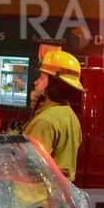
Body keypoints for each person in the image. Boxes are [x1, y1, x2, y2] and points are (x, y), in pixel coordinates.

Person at [23, 49, 83, 180]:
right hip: (57, 195)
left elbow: (27, 168)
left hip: (33, 196)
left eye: (42, 78)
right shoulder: (69, 115)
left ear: (53, 86)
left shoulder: (46, 120)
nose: (36, 82)